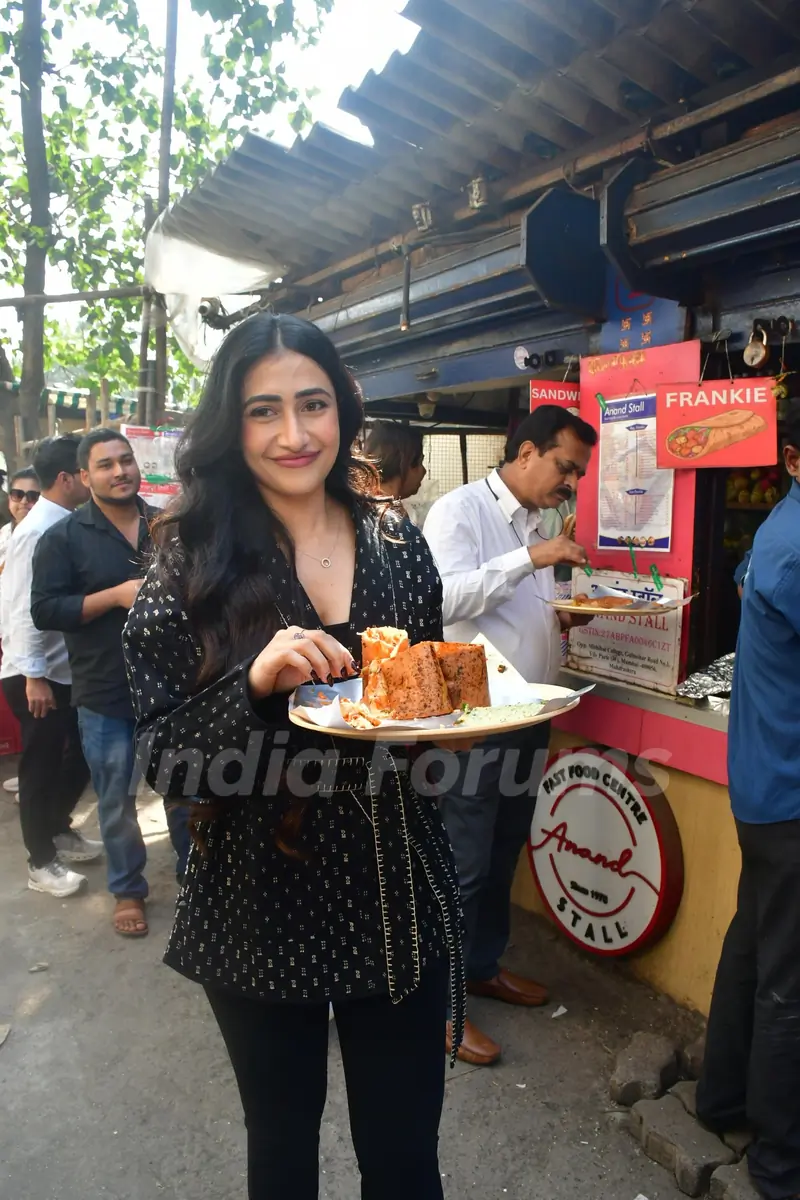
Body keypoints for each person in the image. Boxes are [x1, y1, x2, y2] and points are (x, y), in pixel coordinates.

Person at [122, 312, 465, 1200]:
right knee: (282, 1152)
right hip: (257, 902)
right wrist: (252, 685)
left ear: (343, 411)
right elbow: (161, 756)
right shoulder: (188, 562)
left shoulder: (398, 541)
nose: (294, 434)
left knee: (404, 1155)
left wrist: (451, 717)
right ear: (230, 426)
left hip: (394, 890)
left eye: (312, 404)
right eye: (263, 410)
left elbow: (417, 705)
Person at [423, 405, 597, 1065]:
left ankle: (482, 966)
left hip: (528, 714)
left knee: (503, 849)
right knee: (464, 860)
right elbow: (442, 600)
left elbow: (517, 611)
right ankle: (442, 1006)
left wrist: (559, 625)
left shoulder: (539, 523)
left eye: (578, 472)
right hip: (474, 710)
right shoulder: (459, 511)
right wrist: (534, 556)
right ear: (526, 452)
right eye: (565, 467)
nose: (571, 483)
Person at [696, 399, 800, 1200]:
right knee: (787, 980)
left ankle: (720, 1097)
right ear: (793, 460)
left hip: (765, 786)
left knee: (752, 949)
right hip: (791, 794)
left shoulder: (775, 537)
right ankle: (778, 1162)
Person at [30, 428, 190, 937]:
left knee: (185, 789)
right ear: (83, 476)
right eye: (105, 465)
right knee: (116, 799)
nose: (120, 471)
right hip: (105, 690)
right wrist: (114, 595)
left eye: (126, 460)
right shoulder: (63, 538)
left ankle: (199, 882)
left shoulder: (169, 525)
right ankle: (127, 889)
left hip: (173, 684)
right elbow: (45, 609)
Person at [0, 435, 100, 898]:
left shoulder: (67, 521)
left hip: (65, 671)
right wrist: (34, 676)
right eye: (84, 472)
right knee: (39, 766)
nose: (89, 480)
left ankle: (58, 828)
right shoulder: (39, 530)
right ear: (67, 478)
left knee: (81, 753)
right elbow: (20, 608)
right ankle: (40, 862)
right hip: (35, 674)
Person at [0, 467, 41, 800]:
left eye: (33, 496)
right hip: (6, 634)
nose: (24, 502)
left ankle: (34, 781)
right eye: (18, 495)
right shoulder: (4, 536)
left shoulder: (46, 533)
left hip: (34, 638)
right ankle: (30, 773)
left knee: (37, 719)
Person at [364, 420, 426, 500]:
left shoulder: (361, 504)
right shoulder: (386, 510)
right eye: (420, 462)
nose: (424, 471)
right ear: (405, 462)